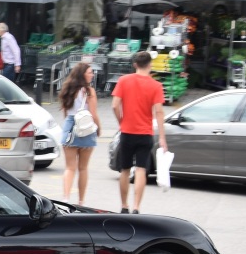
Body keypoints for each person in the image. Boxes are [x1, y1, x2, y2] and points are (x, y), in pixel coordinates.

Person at [111, 51, 167, 214]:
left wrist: (121, 121)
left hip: (127, 132)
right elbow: (159, 111)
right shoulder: (155, 85)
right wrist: (162, 137)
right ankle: (136, 206)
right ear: (150, 65)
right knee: (141, 169)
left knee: (125, 169)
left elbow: (115, 105)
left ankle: (124, 206)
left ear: (135, 64)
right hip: (145, 133)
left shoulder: (124, 81)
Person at [58, 62, 100, 204]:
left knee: (70, 167)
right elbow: (93, 114)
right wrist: (99, 128)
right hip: (86, 127)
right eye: (90, 72)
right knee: (83, 168)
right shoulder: (89, 91)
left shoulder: (67, 89)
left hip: (70, 126)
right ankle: (81, 201)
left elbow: (65, 111)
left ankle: (66, 197)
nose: (92, 74)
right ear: (83, 74)